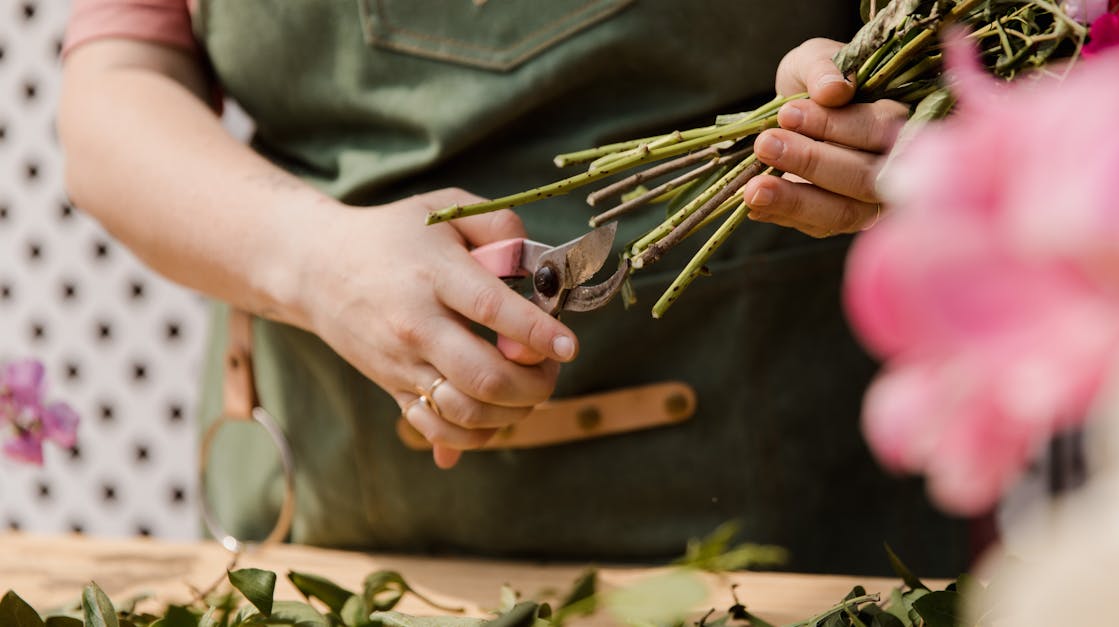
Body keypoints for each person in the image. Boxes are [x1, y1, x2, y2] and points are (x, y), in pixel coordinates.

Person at [59, 0, 967, 575]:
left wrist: (898, 117)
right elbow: (114, 91)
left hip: (790, 538)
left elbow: (976, 54)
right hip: (325, 520)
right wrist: (314, 257)